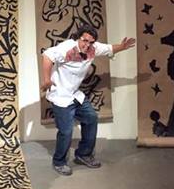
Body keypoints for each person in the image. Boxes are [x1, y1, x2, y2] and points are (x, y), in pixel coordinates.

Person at [41, 25, 136, 176]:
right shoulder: (66, 47)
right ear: (78, 38)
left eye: (91, 42)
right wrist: (46, 79)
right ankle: (59, 162)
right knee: (66, 130)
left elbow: (109, 48)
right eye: (84, 40)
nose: (87, 45)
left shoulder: (93, 48)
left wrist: (122, 47)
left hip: (75, 94)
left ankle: (83, 154)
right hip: (60, 95)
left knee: (91, 118)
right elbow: (47, 56)